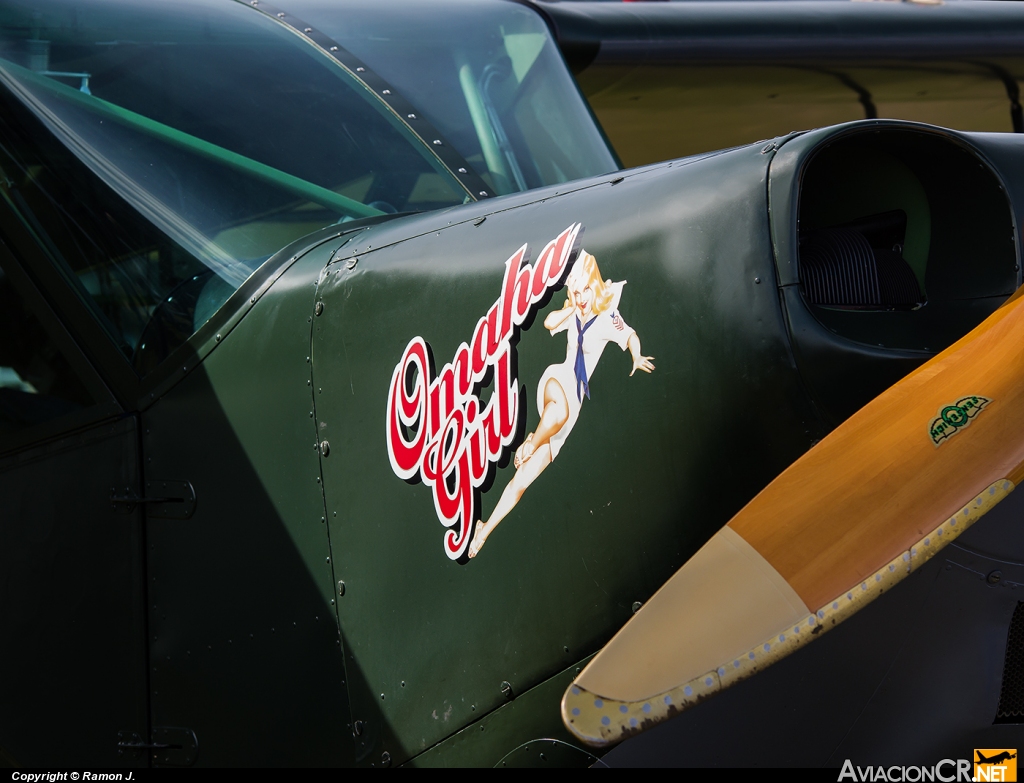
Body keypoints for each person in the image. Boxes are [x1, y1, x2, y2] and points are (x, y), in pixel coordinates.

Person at [468, 250, 654, 558]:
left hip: (572, 409)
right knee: (558, 410)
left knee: (521, 481)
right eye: (576, 291)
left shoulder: (608, 316)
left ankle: (484, 532)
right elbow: (548, 323)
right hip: (557, 381)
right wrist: (571, 310)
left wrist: (635, 355)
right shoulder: (574, 311)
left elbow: (630, 335)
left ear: (595, 285)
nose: (581, 297)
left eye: (585, 290)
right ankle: (530, 443)